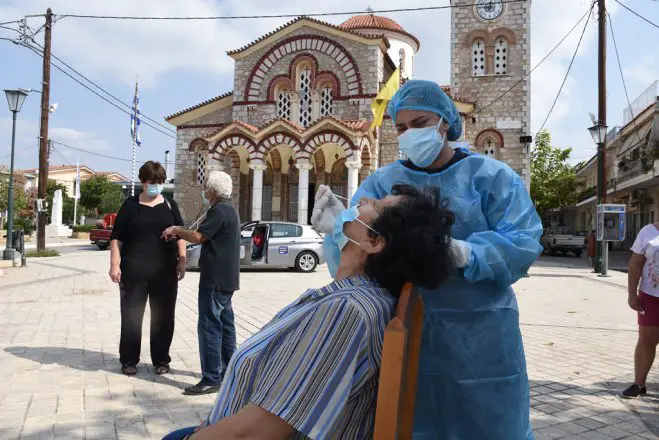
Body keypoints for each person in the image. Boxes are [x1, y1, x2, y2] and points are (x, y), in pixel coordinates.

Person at [312, 80, 543, 439]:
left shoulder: (492, 177)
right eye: (400, 128)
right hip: (405, 326)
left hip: (482, 335)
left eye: (419, 124)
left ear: (445, 123)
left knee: (488, 422)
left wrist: (465, 253)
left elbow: (524, 241)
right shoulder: (382, 183)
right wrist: (338, 229)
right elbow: (356, 255)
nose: (409, 135)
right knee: (411, 418)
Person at [162, 184, 455, 440]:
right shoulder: (355, 297)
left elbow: (256, 432)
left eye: (375, 205)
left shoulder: (345, 311)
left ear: (374, 242)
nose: (363, 200)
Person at [162, 170, 241, 395]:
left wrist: (176, 230)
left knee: (209, 328)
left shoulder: (218, 211)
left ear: (212, 191)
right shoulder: (230, 210)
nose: (204, 192)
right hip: (227, 279)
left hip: (214, 280)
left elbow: (198, 237)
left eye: (206, 188)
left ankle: (211, 378)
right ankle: (228, 373)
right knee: (226, 327)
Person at [109, 161, 186, 376]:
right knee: (132, 316)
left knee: (163, 317)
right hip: (134, 271)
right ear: (143, 182)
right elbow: (117, 237)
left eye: (160, 182)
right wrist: (115, 265)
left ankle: (161, 359)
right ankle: (129, 360)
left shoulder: (170, 205)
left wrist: (182, 260)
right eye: (153, 182)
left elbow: (181, 234)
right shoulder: (130, 205)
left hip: (165, 272)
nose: (157, 186)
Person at [623, 223, 659, 398]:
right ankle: (639, 384)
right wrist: (632, 294)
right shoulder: (647, 232)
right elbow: (635, 265)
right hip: (651, 296)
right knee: (646, 340)